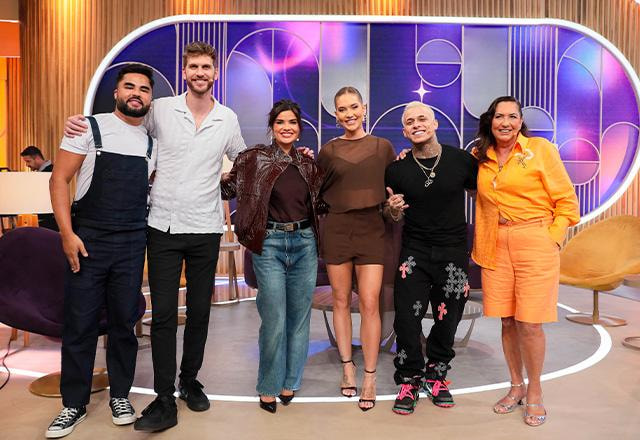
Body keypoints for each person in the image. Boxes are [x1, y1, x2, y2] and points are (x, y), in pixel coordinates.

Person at [64, 42, 246, 432]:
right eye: (193, 66)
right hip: (160, 225)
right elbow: (123, 129)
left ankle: (189, 381)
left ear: (215, 74)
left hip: (206, 226)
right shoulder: (160, 110)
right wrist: (79, 125)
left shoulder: (228, 118)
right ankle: (164, 396)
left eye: (206, 67)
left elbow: (244, 161)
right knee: (163, 315)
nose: (200, 72)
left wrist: (235, 178)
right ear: (185, 73)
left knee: (199, 313)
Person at [46, 64, 156, 438]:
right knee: (80, 325)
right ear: (116, 92)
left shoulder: (150, 143)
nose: (136, 93)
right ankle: (73, 405)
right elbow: (59, 179)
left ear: (150, 98)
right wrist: (66, 233)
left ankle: (121, 395)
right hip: (88, 240)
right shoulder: (88, 128)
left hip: (130, 243)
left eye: (144, 88)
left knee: (125, 324)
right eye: (130, 86)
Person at [472, 96, 579, 427]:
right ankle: (515, 385)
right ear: (490, 121)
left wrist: (553, 236)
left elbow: (567, 203)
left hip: (535, 240)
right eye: (499, 116)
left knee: (530, 322)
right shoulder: (482, 157)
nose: (505, 122)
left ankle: (535, 391)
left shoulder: (541, 150)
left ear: (521, 121)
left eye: (512, 117)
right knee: (506, 321)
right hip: (494, 243)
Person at [221, 99, 323, 413]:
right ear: (272, 127)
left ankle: (289, 382)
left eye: (292, 122)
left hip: (305, 243)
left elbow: (321, 206)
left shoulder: (308, 164)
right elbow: (228, 190)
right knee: (275, 318)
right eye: (280, 122)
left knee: (300, 319)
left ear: (299, 128)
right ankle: (268, 385)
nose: (287, 127)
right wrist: (211, 166)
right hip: (270, 245)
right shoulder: (254, 158)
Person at [384, 101, 478, 415]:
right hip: (415, 252)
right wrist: (393, 210)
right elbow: (390, 211)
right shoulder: (397, 169)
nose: (416, 124)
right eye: (410, 121)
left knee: (448, 317)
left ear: (435, 123)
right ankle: (410, 376)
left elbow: (483, 196)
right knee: (407, 319)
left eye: (422, 118)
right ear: (404, 130)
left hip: (453, 251)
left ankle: (437, 374)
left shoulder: (462, 161)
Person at [317, 86, 395, 411]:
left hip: (373, 230)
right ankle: (348, 367)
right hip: (336, 229)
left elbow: (396, 185)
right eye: (341, 109)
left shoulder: (383, 147)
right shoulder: (328, 150)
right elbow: (316, 192)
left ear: (364, 108)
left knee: (370, 302)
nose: (348, 114)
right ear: (335, 114)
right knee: (339, 300)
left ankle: (370, 376)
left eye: (353, 107)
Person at [21, 145, 58, 231]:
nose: (27, 165)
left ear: (37, 158)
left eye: (28, 161)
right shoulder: (44, 172)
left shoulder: (50, 172)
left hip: (49, 221)